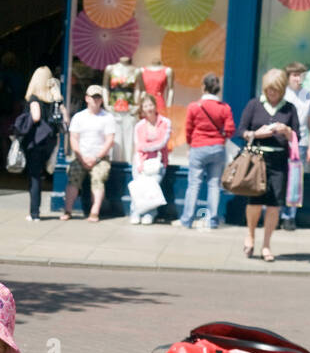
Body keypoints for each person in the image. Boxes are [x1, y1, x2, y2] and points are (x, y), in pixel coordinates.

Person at [237, 68, 300, 262]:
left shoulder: (289, 108)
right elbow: (241, 131)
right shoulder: (254, 105)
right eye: (269, 90)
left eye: (275, 90)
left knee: (274, 205)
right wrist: (256, 134)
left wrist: (287, 131)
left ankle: (266, 245)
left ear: (281, 90)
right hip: (257, 161)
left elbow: (297, 135)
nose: (272, 93)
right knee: (255, 202)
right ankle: (250, 235)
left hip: (279, 161)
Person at [180, 73, 236, 229]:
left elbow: (188, 129)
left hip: (198, 146)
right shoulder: (224, 108)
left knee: (194, 185)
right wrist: (222, 138)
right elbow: (231, 130)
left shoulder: (194, 106)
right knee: (214, 185)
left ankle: (187, 220)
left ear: (203, 87)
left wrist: (189, 146)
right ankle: (212, 220)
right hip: (218, 148)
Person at [61, 85, 115, 222]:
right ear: (87, 98)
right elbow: (73, 138)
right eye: (93, 97)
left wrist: (96, 158)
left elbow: (109, 141)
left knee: (98, 178)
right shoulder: (79, 117)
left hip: (100, 158)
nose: (96, 100)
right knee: (73, 178)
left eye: (98, 97)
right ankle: (67, 210)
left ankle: (94, 212)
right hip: (81, 156)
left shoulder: (107, 118)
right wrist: (81, 157)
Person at [19, 65, 65, 222]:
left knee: (34, 177)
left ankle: (34, 213)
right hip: (50, 141)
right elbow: (65, 118)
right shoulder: (55, 99)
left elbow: (36, 116)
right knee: (41, 174)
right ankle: (35, 211)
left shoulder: (34, 99)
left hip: (36, 141)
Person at [279, 62, 310, 231]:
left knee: (295, 181)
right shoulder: (282, 94)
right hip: (280, 142)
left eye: (301, 75)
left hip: (300, 144)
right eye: (295, 75)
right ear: (288, 77)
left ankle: (289, 217)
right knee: (278, 178)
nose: (298, 78)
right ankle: (275, 213)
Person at [129, 93, 171, 226]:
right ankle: (135, 212)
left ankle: (150, 214)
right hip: (141, 161)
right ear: (142, 108)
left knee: (152, 187)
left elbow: (162, 142)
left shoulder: (165, 122)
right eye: (145, 106)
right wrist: (148, 149)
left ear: (155, 106)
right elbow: (138, 145)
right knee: (139, 186)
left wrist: (146, 146)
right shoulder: (139, 125)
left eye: (151, 105)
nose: (149, 108)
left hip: (157, 162)